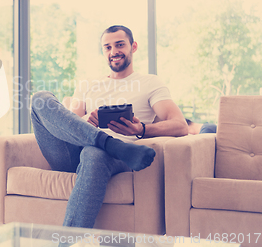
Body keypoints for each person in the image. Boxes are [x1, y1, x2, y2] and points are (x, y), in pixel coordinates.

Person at [30, 25, 188, 229]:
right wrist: (87, 119)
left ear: (134, 46)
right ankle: (109, 142)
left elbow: (180, 125)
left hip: (114, 158)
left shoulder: (150, 83)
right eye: (107, 47)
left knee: (94, 153)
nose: (114, 51)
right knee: (40, 98)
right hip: (73, 152)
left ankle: (69, 242)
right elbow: (69, 122)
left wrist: (141, 130)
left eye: (120, 45)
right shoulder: (87, 84)